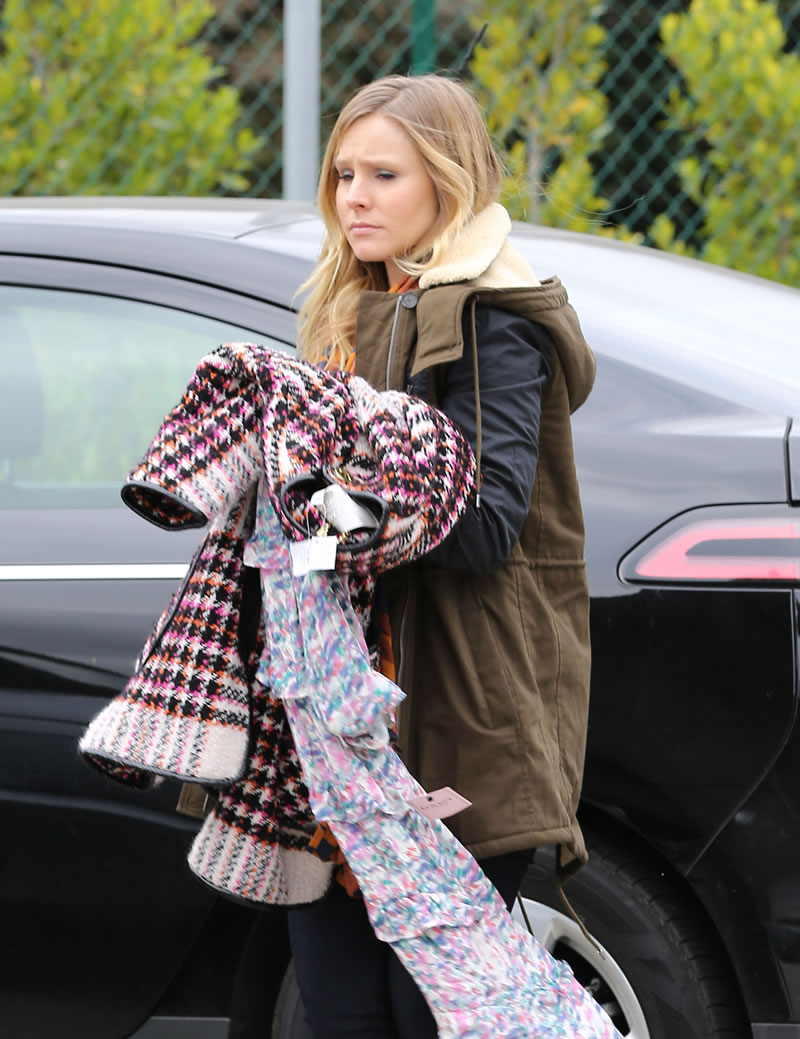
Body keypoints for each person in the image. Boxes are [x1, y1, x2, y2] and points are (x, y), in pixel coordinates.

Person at [289, 72, 596, 1038]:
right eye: (344, 174)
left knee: (428, 1010)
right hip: (344, 720)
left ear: (449, 183)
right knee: (339, 1009)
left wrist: (324, 508)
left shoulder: (491, 318)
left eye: (385, 175)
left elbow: (485, 524)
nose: (356, 197)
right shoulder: (349, 309)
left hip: (459, 719)